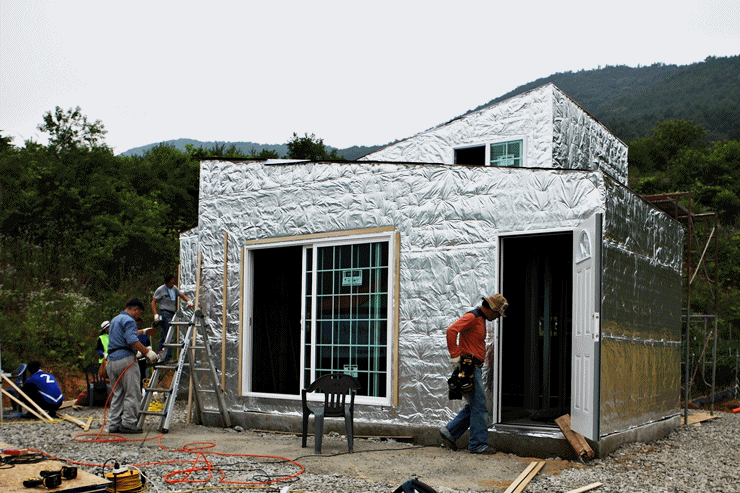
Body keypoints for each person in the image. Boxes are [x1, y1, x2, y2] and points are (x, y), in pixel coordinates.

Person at [439, 293, 508, 454]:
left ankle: (450, 432)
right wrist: (455, 356)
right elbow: (451, 330)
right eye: (497, 314)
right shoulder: (473, 317)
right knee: (480, 406)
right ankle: (478, 444)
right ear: (491, 309)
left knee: (476, 405)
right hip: (468, 366)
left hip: (471, 366)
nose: (497, 318)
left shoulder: (480, 319)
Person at [106, 298, 158, 434]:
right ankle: (128, 424)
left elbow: (125, 334)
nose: (138, 316)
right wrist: (147, 352)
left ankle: (113, 424)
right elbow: (132, 340)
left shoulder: (115, 320)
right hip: (125, 360)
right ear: (135, 309)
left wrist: (144, 331)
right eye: (139, 313)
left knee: (117, 393)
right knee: (132, 393)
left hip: (111, 361)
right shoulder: (129, 320)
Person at [151, 274, 193, 361]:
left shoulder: (174, 288)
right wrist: (155, 314)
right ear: (167, 282)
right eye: (171, 282)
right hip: (164, 313)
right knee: (169, 334)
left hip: (171, 313)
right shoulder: (161, 290)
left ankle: (160, 353)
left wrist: (188, 301)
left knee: (165, 333)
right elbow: (153, 302)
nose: (173, 284)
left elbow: (182, 295)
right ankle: (167, 357)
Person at [135, 317, 154, 389]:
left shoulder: (145, 335)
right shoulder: (133, 334)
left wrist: (149, 350)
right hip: (134, 360)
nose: (138, 326)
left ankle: (141, 391)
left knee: (142, 377)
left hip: (143, 360)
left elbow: (148, 344)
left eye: (140, 324)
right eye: (137, 324)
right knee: (135, 378)